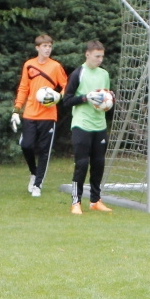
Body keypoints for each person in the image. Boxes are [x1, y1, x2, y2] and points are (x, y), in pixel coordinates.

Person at [60, 40, 115, 214]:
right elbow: (67, 100)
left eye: (102, 57)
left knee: (98, 163)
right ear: (87, 54)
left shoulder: (104, 74)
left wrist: (110, 97)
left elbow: (105, 97)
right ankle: (76, 202)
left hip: (99, 125)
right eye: (97, 56)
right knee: (82, 164)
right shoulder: (78, 74)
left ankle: (95, 200)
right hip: (81, 125)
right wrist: (86, 97)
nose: (100, 60)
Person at [12, 34, 68, 198]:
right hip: (30, 113)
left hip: (48, 116)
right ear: (37, 48)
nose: (47, 49)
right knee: (27, 145)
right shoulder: (29, 65)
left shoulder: (56, 67)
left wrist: (58, 96)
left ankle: (38, 185)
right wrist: (16, 109)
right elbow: (23, 88)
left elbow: (66, 86)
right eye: (44, 46)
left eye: (50, 46)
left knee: (44, 151)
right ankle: (34, 173)